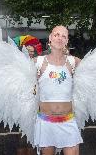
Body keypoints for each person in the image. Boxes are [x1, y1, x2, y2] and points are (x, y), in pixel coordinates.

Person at [33, 26, 83, 155]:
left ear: (67, 41)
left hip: (68, 122)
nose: (59, 38)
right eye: (56, 34)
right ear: (50, 38)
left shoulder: (73, 62)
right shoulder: (37, 62)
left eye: (64, 36)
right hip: (45, 124)